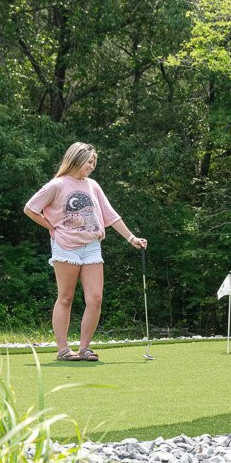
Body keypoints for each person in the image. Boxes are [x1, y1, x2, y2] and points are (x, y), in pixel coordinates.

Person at [24, 142, 147, 361]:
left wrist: (131, 238)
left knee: (96, 298)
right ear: (76, 159)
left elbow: (111, 215)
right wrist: (52, 227)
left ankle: (84, 348)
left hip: (91, 246)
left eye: (93, 162)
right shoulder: (57, 185)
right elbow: (30, 208)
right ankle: (63, 349)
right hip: (66, 246)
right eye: (89, 161)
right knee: (66, 297)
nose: (92, 166)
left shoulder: (93, 186)